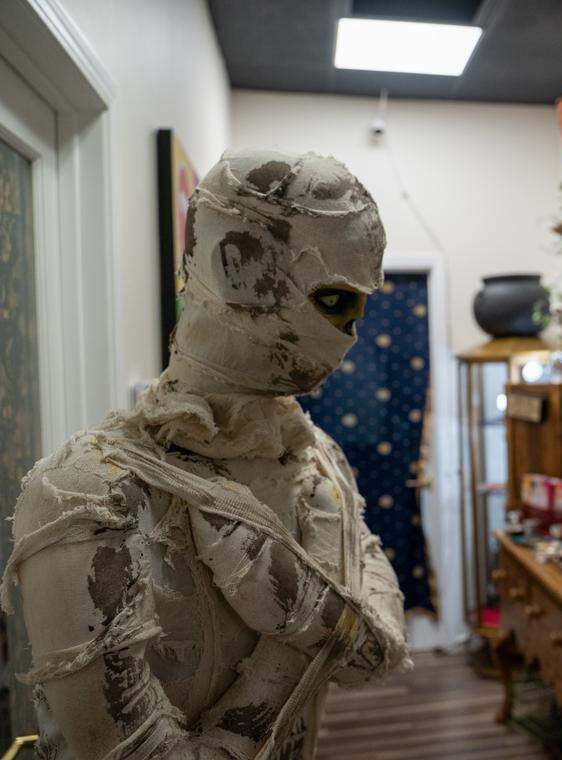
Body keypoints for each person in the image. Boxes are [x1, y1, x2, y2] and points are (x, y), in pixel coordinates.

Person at [2, 149, 410, 759]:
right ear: (237, 267)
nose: (353, 333)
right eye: (334, 300)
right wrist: (299, 642)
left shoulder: (316, 457)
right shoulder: (86, 492)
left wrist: (305, 607)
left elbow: (378, 654)